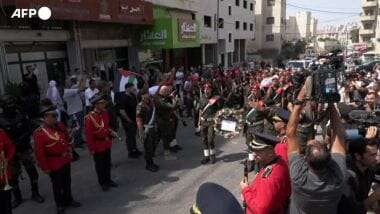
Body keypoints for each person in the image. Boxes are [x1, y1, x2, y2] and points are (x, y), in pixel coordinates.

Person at [286, 81, 346, 214]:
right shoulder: (338, 178)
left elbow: (290, 134)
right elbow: (339, 136)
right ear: (330, 158)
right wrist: (331, 104)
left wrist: (299, 101)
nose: (313, 140)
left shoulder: (298, 177)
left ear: (305, 159)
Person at [33, 106, 81, 214]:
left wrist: (70, 148)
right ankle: (59, 205)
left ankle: (69, 199)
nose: (55, 118)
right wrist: (45, 167)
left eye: (55, 115)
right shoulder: (40, 133)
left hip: (64, 158)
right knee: (57, 185)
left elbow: (66, 138)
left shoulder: (60, 125)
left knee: (67, 181)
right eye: (52, 116)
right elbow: (39, 153)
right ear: (45, 117)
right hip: (53, 162)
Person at [0, 95, 44, 208]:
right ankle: (18, 197)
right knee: (12, 176)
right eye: (7, 103)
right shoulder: (1, 119)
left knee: (32, 171)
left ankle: (35, 192)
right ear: (3, 106)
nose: (10, 105)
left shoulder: (21, 114)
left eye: (11, 102)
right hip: (9, 152)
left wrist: (22, 139)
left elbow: (29, 128)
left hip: (24, 147)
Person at [240, 132, 291, 214]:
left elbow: (260, 210)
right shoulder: (279, 162)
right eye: (253, 150)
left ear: (270, 152)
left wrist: (245, 190)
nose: (254, 154)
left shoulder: (270, 177)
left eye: (258, 151)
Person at [85, 94, 118, 192]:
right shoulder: (89, 118)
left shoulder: (105, 113)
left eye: (104, 103)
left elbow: (106, 126)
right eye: (101, 103)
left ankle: (108, 180)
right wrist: (91, 148)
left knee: (107, 163)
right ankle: (102, 182)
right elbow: (89, 135)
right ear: (96, 105)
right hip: (97, 145)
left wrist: (111, 132)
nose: (104, 105)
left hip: (106, 142)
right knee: (100, 165)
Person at [344, 128, 380, 214]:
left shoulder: (369, 167)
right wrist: (374, 197)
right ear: (358, 156)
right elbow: (351, 210)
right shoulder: (348, 177)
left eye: (377, 154)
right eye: (372, 155)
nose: (377, 158)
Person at [199, 83, 222, 164]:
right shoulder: (201, 98)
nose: (206, 90)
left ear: (211, 90)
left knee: (210, 139)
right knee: (204, 139)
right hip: (203, 121)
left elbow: (220, 110)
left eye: (208, 89)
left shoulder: (215, 98)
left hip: (211, 122)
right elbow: (200, 110)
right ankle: (206, 156)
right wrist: (199, 122)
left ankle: (212, 155)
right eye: (205, 89)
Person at [118, 83, 142, 159]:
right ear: (127, 88)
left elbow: (137, 105)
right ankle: (130, 152)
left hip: (134, 119)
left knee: (133, 135)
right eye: (132, 88)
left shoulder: (132, 96)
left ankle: (135, 149)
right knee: (129, 136)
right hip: (128, 121)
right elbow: (122, 111)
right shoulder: (124, 98)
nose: (134, 89)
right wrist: (128, 120)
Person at [136, 91, 159, 172]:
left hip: (153, 128)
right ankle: (149, 164)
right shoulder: (140, 106)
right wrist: (141, 132)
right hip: (146, 129)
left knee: (154, 144)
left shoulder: (151, 103)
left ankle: (152, 161)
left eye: (147, 93)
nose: (147, 95)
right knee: (148, 147)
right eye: (144, 94)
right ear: (141, 96)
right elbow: (139, 119)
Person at [155, 85, 178, 161]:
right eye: (167, 91)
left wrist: (169, 97)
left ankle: (152, 151)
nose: (168, 93)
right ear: (163, 91)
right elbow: (172, 106)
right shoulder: (159, 99)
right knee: (165, 137)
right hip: (163, 121)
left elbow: (165, 99)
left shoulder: (160, 97)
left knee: (158, 137)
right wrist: (174, 99)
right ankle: (167, 155)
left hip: (164, 120)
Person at [63, 76, 85, 148]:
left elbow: (79, 87)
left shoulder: (71, 89)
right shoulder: (67, 91)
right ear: (66, 84)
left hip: (78, 110)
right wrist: (82, 80)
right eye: (69, 81)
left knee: (80, 126)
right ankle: (76, 142)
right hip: (74, 112)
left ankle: (80, 139)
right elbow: (80, 89)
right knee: (77, 127)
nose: (71, 82)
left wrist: (81, 80)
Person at [0, 129, 15, 214]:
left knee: (7, 205)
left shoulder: (1, 133)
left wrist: (7, 159)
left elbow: (11, 147)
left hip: (3, 177)